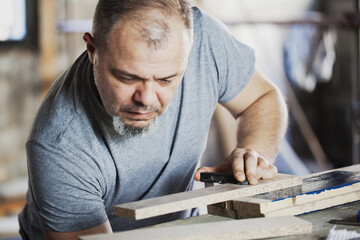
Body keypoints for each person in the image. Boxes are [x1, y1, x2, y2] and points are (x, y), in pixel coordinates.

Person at [19, 0, 287, 239]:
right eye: (127, 77)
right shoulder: (59, 146)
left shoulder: (205, 41)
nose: (146, 99)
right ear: (92, 50)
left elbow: (261, 98)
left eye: (166, 79)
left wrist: (252, 157)